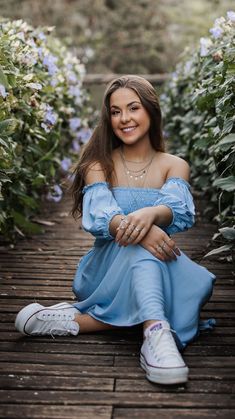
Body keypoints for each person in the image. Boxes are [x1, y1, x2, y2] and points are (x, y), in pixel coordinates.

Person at [15, 75, 215, 385]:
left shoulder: (174, 164)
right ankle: (155, 334)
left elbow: (178, 211)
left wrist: (150, 213)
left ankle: (75, 322)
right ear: (109, 118)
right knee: (138, 247)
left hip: (156, 265)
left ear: (151, 110)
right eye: (115, 111)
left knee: (148, 256)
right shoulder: (99, 164)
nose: (124, 118)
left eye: (133, 108)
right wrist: (142, 230)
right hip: (106, 271)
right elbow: (99, 216)